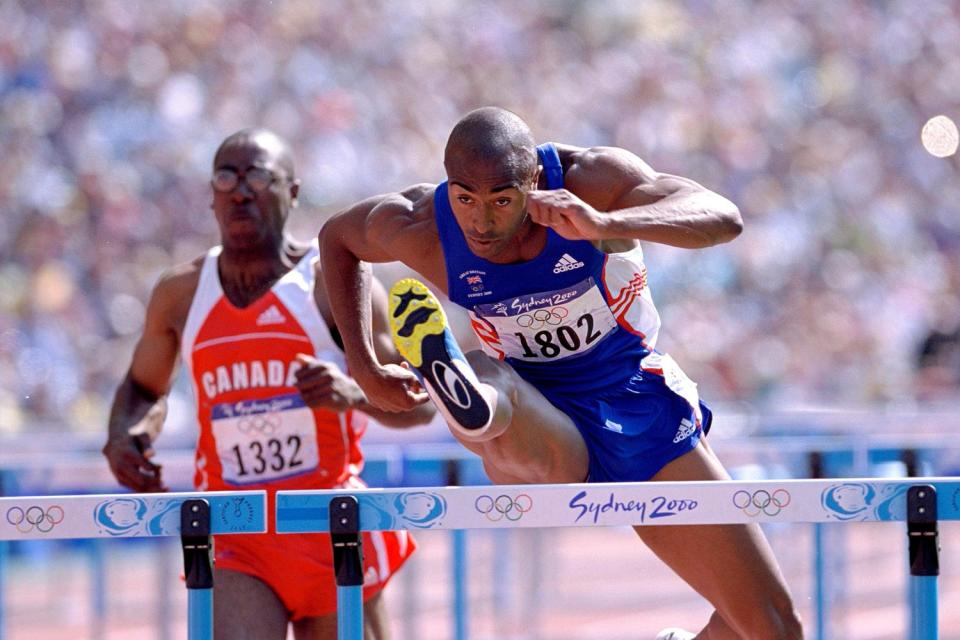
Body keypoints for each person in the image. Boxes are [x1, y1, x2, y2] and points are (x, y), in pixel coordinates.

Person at [319, 107, 803, 639]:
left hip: (635, 400)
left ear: (533, 182)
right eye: (465, 199)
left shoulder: (592, 180)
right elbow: (338, 239)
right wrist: (363, 363)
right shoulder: (421, 226)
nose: (481, 222)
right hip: (537, 420)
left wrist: (608, 225)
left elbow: (722, 216)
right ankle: (464, 390)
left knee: (772, 628)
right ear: (447, 185)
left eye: (502, 201)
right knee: (496, 392)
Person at [103, 128, 432, 640]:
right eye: (226, 176)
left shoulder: (333, 286)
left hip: (331, 522)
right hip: (237, 531)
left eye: (258, 176)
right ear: (211, 197)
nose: (241, 189)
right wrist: (126, 434)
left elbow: (421, 407)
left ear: (292, 192)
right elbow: (144, 390)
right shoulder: (181, 293)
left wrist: (354, 397)